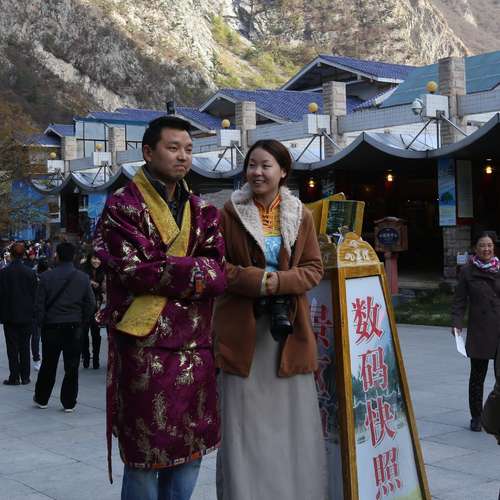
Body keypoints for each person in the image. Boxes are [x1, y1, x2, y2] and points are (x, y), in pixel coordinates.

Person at [94, 116, 226, 500]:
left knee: (191, 450)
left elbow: (220, 273)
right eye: (173, 148)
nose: (183, 156)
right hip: (145, 349)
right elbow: (133, 270)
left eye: (188, 149)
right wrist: (196, 272)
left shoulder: (203, 209)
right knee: (145, 456)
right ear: (148, 152)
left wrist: (167, 269)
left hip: (196, 348)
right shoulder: (122, 206)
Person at [214, 139, 326, 500]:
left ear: (283, 172)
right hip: (242, 333)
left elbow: (314, 268)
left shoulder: (300, 214)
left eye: (266, 165)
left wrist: (280, 282)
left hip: (288, 331)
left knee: (292, 423)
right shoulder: (228, 213)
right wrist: (259, 281)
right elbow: (217, 267)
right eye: (252, 165)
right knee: (244, 426)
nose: (257, 172)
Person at [33, 242, 95, 412]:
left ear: (57, 256)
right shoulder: (83, 278)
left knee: (48, 364)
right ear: (74, 256)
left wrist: (42, 322)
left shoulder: (46, 277)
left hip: (51, 326)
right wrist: (82, 321)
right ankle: (68, 402)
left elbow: (39, 305)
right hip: (74, 326)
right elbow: (91, 303)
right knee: (72, 366)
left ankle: (42, 398)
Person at [452, 231, 500, 432]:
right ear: (475, 248)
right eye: (482, 245)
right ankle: (477, 417)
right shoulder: (467, 271)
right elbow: (459, 301)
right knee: (477, 377)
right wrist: (457, 322)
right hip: (480, 329)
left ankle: (495, 417)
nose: (486, 249)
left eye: (489, 245)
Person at [0, 242, 37, 385]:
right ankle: (25, 376)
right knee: (25, 346)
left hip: (9, 315)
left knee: (12, 347)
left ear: (11, 254)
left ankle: (14, 376)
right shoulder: (30, 272)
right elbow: (34, 294)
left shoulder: (4, 273)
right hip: (26, 315)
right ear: (23, 255)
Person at [81, 252, 104, 369]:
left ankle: (96, 358)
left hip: (97, 307)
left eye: (99, 259)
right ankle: (85, 356)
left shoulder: (103, 271)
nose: (97, 261)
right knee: (84, 333)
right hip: (84, 306)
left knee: (96, 334)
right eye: (94, 258)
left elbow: (104, 288)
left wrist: (101, 287)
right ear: (90, 259)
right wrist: (89, 282)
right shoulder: (83, 271)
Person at [31, 258, 51, 371]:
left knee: (36, 337)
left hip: (36, 310)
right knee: (42, 337)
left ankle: (37, 359)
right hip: (46, 310)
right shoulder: (50, 277)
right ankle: (41, 358)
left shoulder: (34, 276)